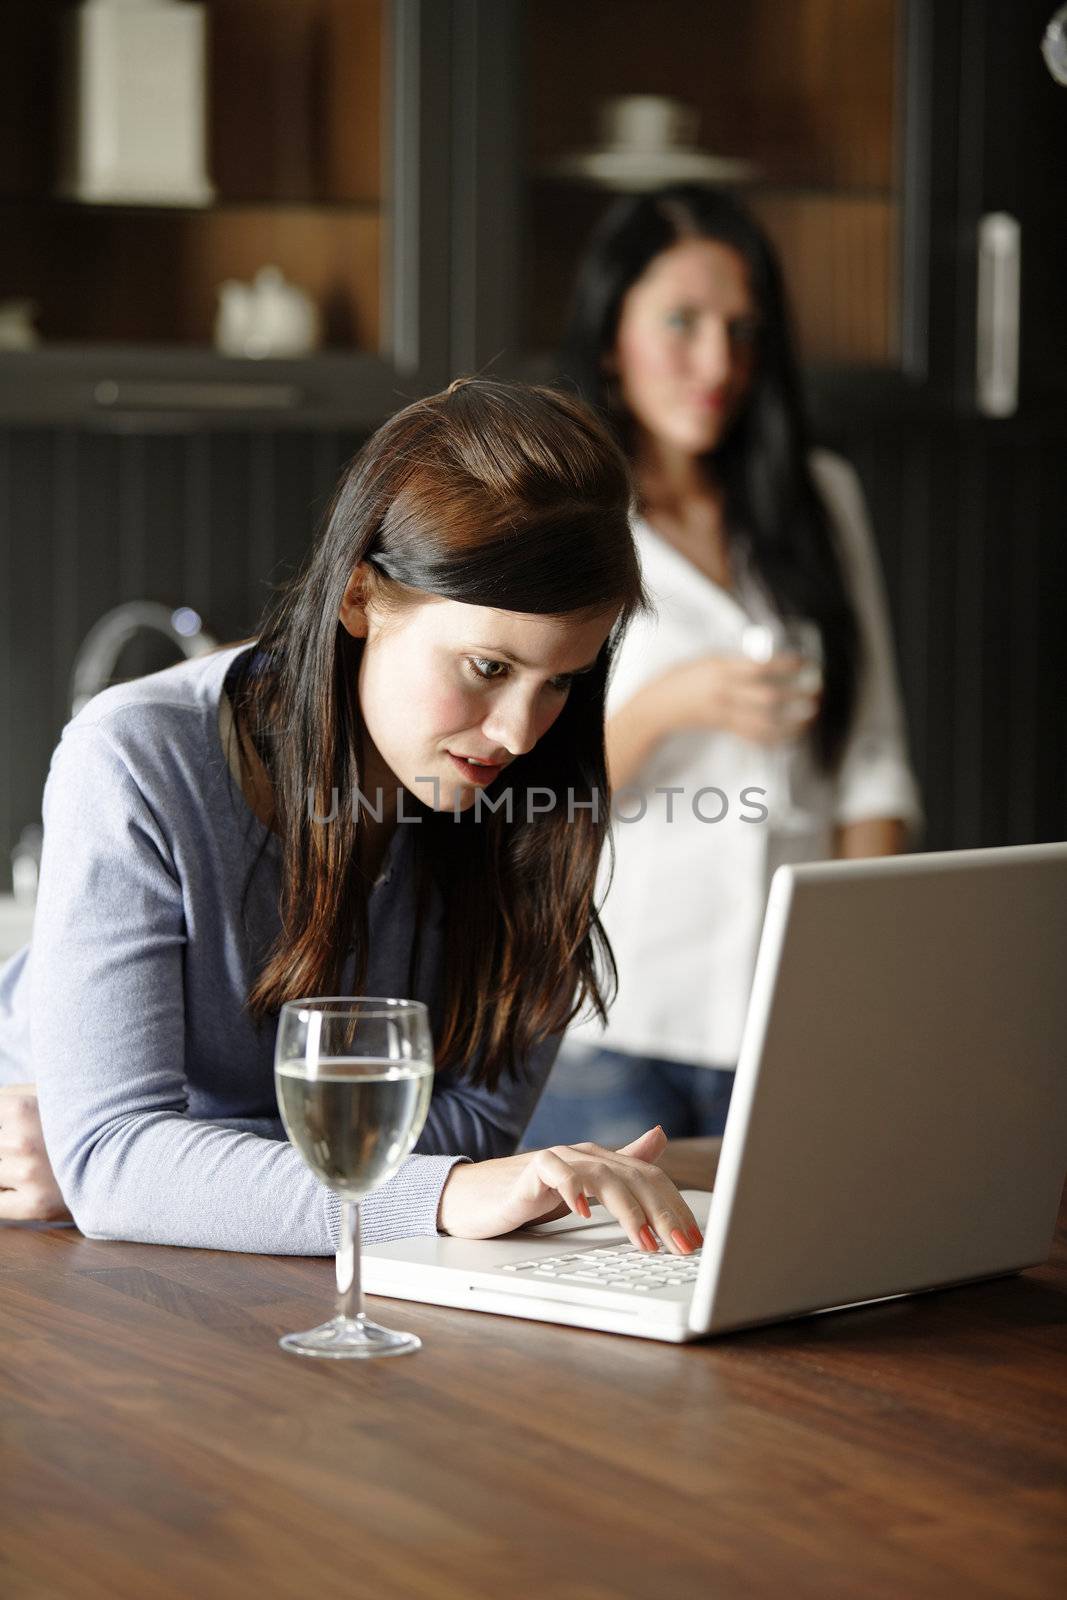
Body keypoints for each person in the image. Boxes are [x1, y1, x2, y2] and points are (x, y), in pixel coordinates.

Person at [0, 378, 705, 1261]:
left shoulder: (535, 797)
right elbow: (116, 1160)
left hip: (257, 1252)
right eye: (488, 667)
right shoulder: (136, 758)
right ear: (361, 598)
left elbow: (478, 1121)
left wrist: (186, 1176)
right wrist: (144, 1176)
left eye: (560, 680)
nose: (522, 732)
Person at [521, 185, 922, 1150]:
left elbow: (869, 759)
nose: (717, 363)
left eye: (742, 330)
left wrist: (854, 971)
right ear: (610, 332)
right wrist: (663, 707)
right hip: (612, 1024)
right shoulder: (551, 511)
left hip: (786, 1017)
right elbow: (517, 789)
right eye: (681, 323)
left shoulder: (817, 500)